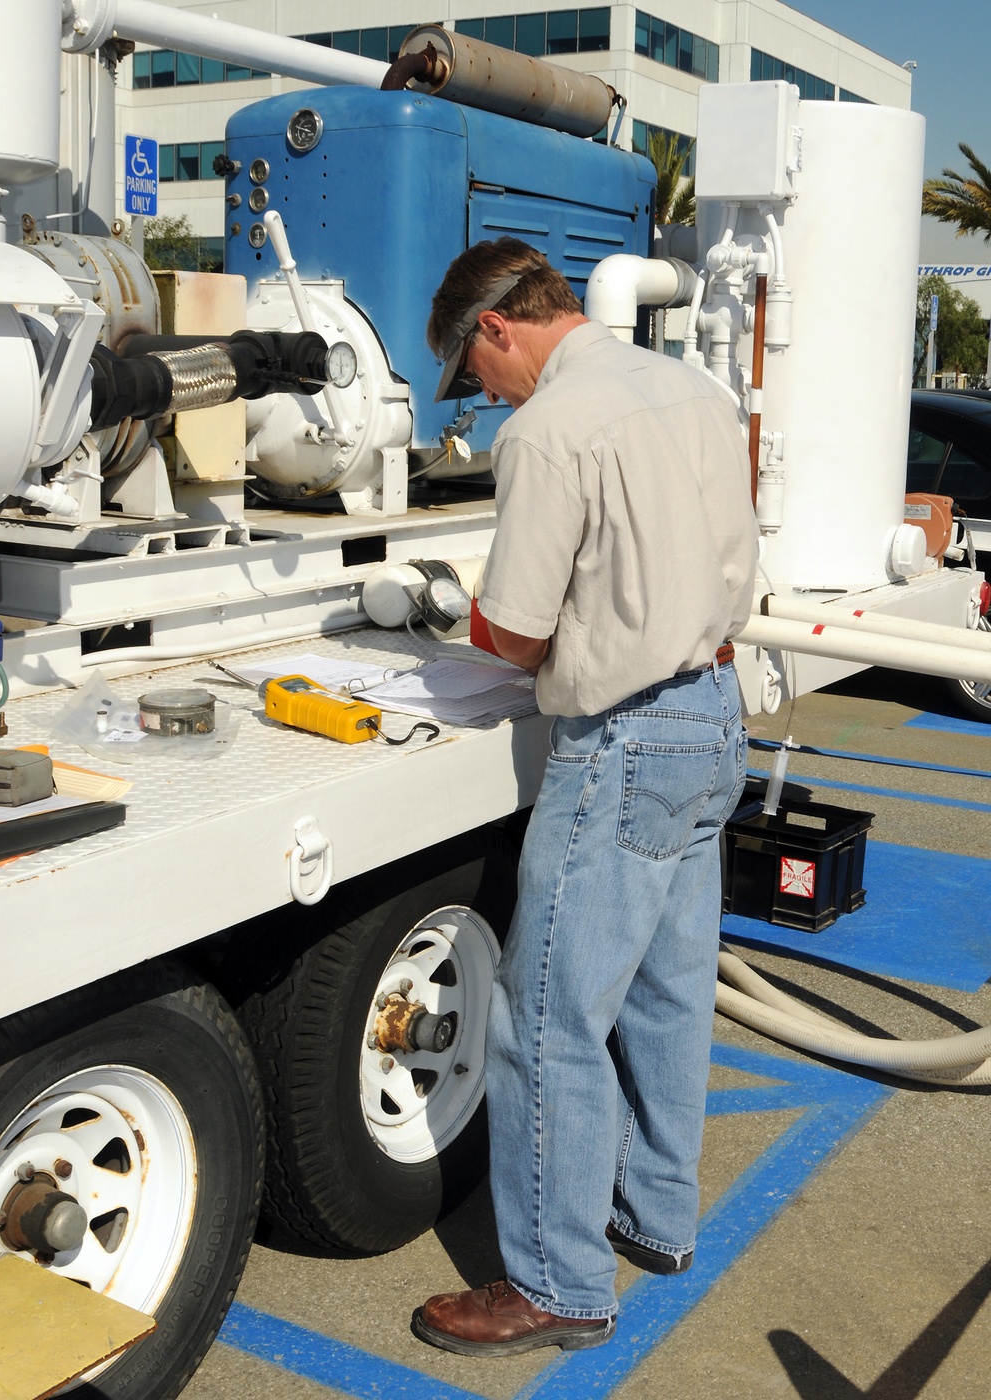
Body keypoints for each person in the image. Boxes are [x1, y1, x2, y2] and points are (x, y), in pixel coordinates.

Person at [414, 237, 758, 1358]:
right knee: (666, 990)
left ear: (497, 327)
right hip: (713, 709)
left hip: (623, 735)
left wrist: (445, 612)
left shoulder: (550, 427)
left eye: (475, 372)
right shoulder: (691, 389)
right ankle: (654, 1215)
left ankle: (556, 1283)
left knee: (543, 1014)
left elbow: (513, 630)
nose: (483, 394)